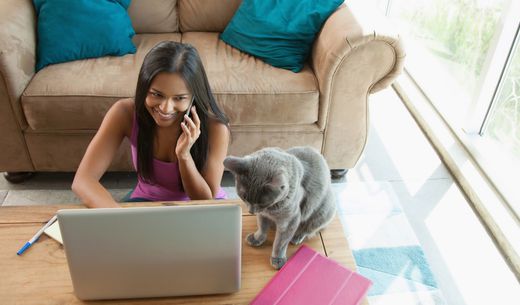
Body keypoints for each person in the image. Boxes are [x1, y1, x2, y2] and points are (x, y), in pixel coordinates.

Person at [72, 41, 230, 208]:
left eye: (179, 98)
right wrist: (118, 216)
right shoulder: (124, 113)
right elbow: (83, 181)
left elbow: (205, 200)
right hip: (147, 200)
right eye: (156, 94)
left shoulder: (216, 128)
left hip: (198, 207)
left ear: (193, 97)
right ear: (144, 87)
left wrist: (184, 156)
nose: (166, 108)